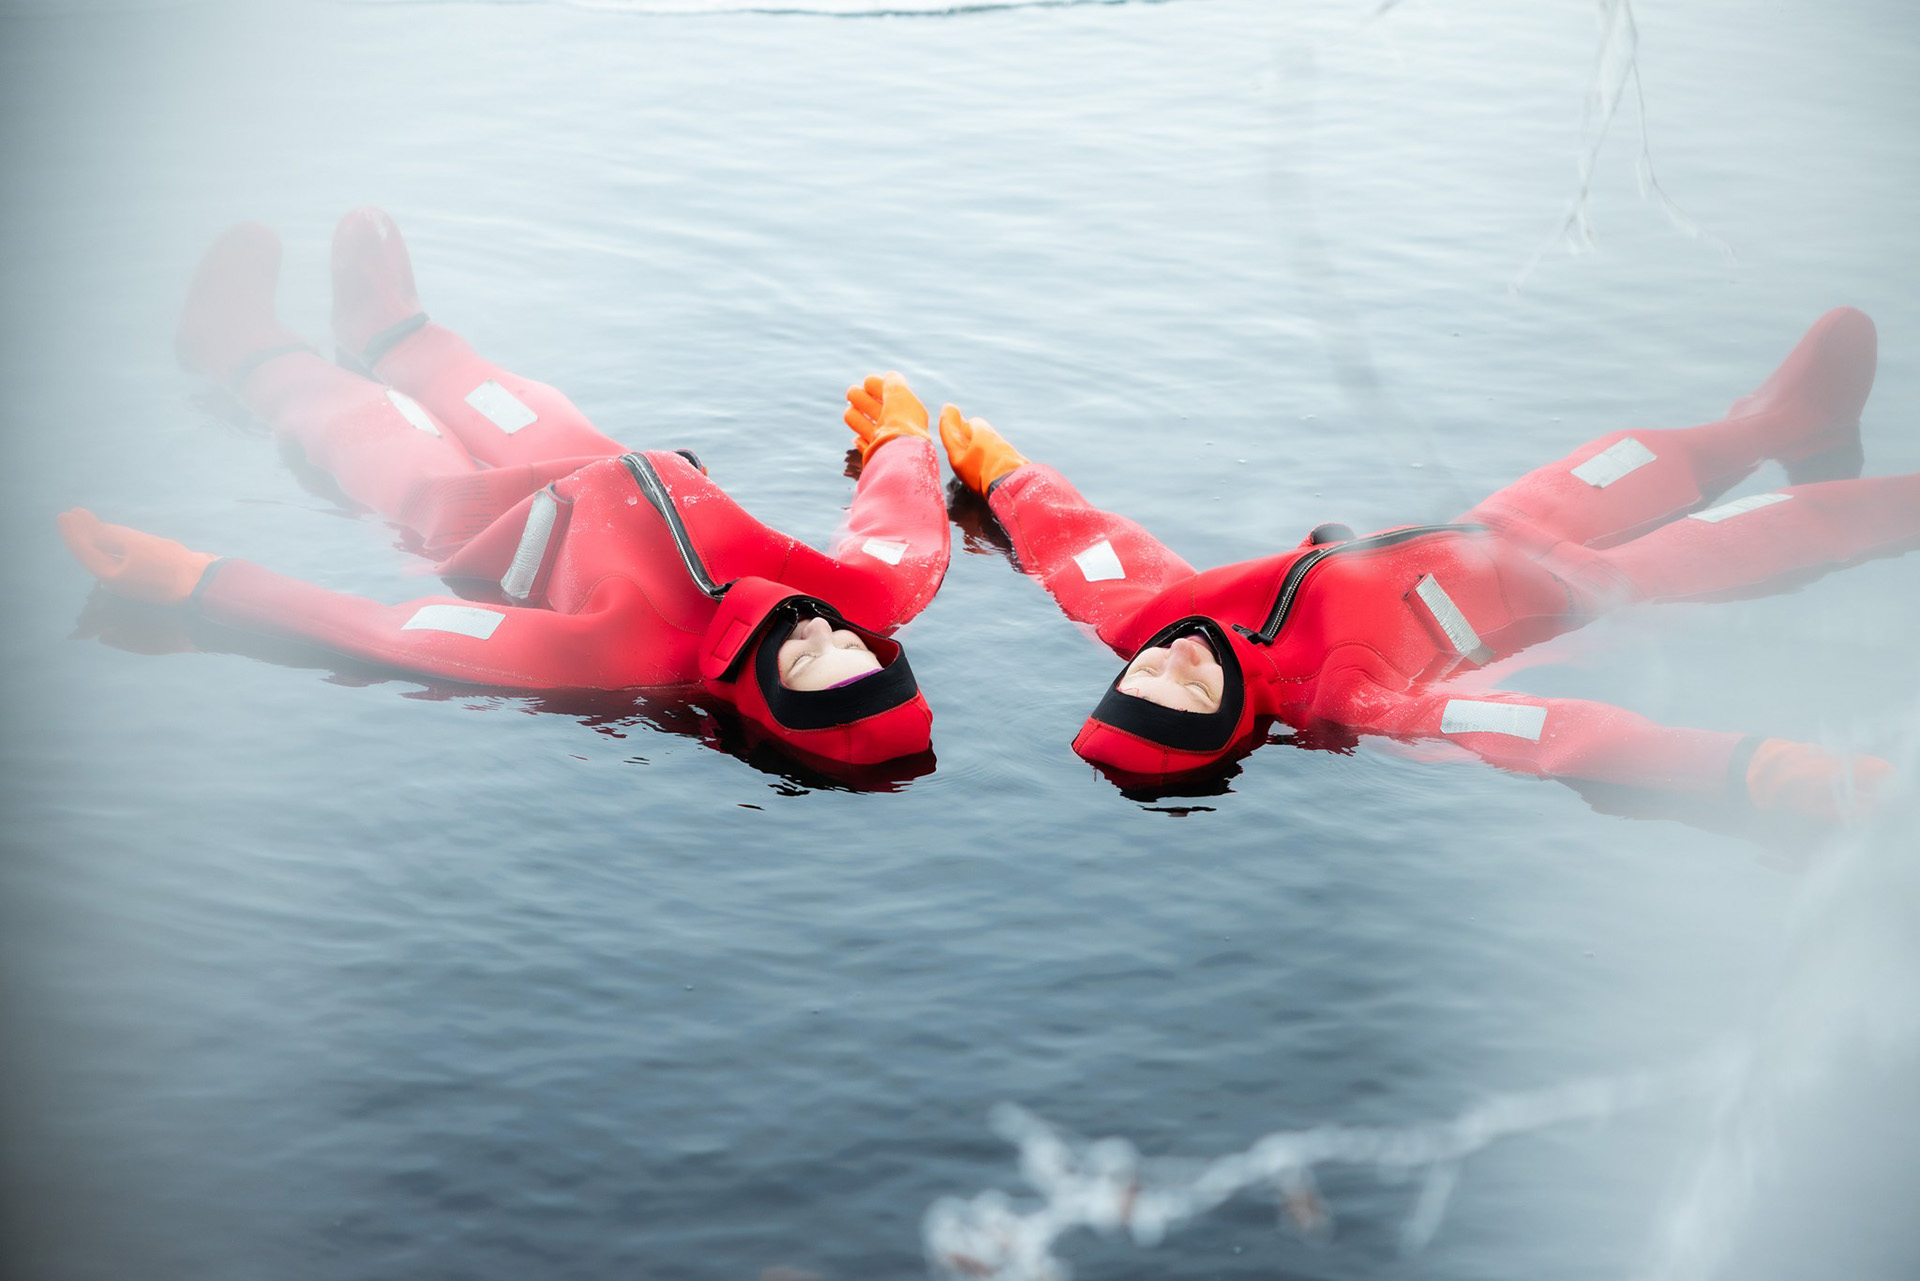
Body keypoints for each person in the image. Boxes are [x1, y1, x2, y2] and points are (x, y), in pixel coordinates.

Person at [936, 307, 1915, 820]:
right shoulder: (1362, 701)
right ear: (1227, 724)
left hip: (1501, 523)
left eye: (1142, 675)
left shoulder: (1152, 619)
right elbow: (1553, 734)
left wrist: (1001, 474)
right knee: (1783, 531)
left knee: (1637, 453)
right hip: (1590, 591)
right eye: (1182, 693)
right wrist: (1758, 769)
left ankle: (1783, 421)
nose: (1170, 660)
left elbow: (1087, 550)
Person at [58, 210, 951, 770]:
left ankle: (240, 348)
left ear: (762, 697)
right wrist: (900, 440)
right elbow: (901, 540)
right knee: (519, 402)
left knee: (371, 432)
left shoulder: (626, 656)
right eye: (849, 643)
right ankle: (388, 328)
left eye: (802, 658)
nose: (815, 626)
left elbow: (402, 635)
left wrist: (202, 580)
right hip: (600, 463)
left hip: (487, 524)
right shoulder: (858, 597)